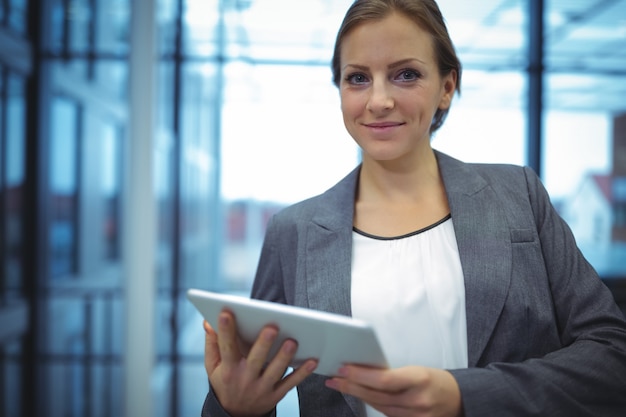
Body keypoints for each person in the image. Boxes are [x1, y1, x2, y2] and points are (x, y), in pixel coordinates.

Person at [201, 0, 626, 416]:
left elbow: (612, 356)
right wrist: (234, 409)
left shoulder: (519, 196)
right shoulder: (291, 230)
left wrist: (464, 395)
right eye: (358, 78)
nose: (379, 100)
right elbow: (250, 378)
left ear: (446, 88)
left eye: (406, 75)